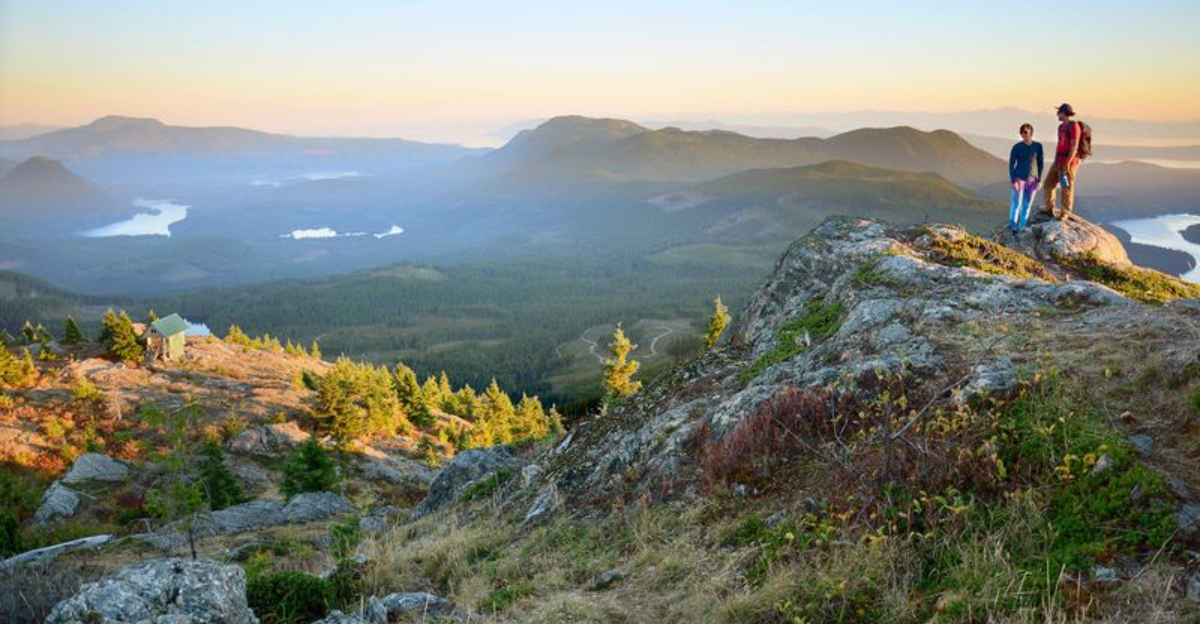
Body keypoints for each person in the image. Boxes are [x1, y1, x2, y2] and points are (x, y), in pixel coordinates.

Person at [1042, 103, 1082, 219]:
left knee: (1066, 187)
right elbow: (1060, 144)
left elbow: (1074, 146)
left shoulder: (1074, 126)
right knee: (1048, 183)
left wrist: (1067, 162)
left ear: (1064, 113)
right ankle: (1049, 208)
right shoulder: (1060, 127)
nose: (1057, 114)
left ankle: (1065, 212)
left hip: (1068, 162)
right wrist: (1056, 161)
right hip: (1058, 160)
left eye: (1059, 112)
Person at [1008, 123, 1043, 232]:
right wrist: (1014, 180)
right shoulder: (1017, 147)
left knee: (1027, 206)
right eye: (1022, 132)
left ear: (1031, 133)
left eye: (1026, 132)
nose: (1024, 134)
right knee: (1016, 204)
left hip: (1032, 181)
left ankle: (1021, 227)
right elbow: (1011, 164)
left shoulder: (1038, 146)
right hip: (1019, 179)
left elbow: (1040, 163)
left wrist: (1039, 180)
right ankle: (1013, 228)